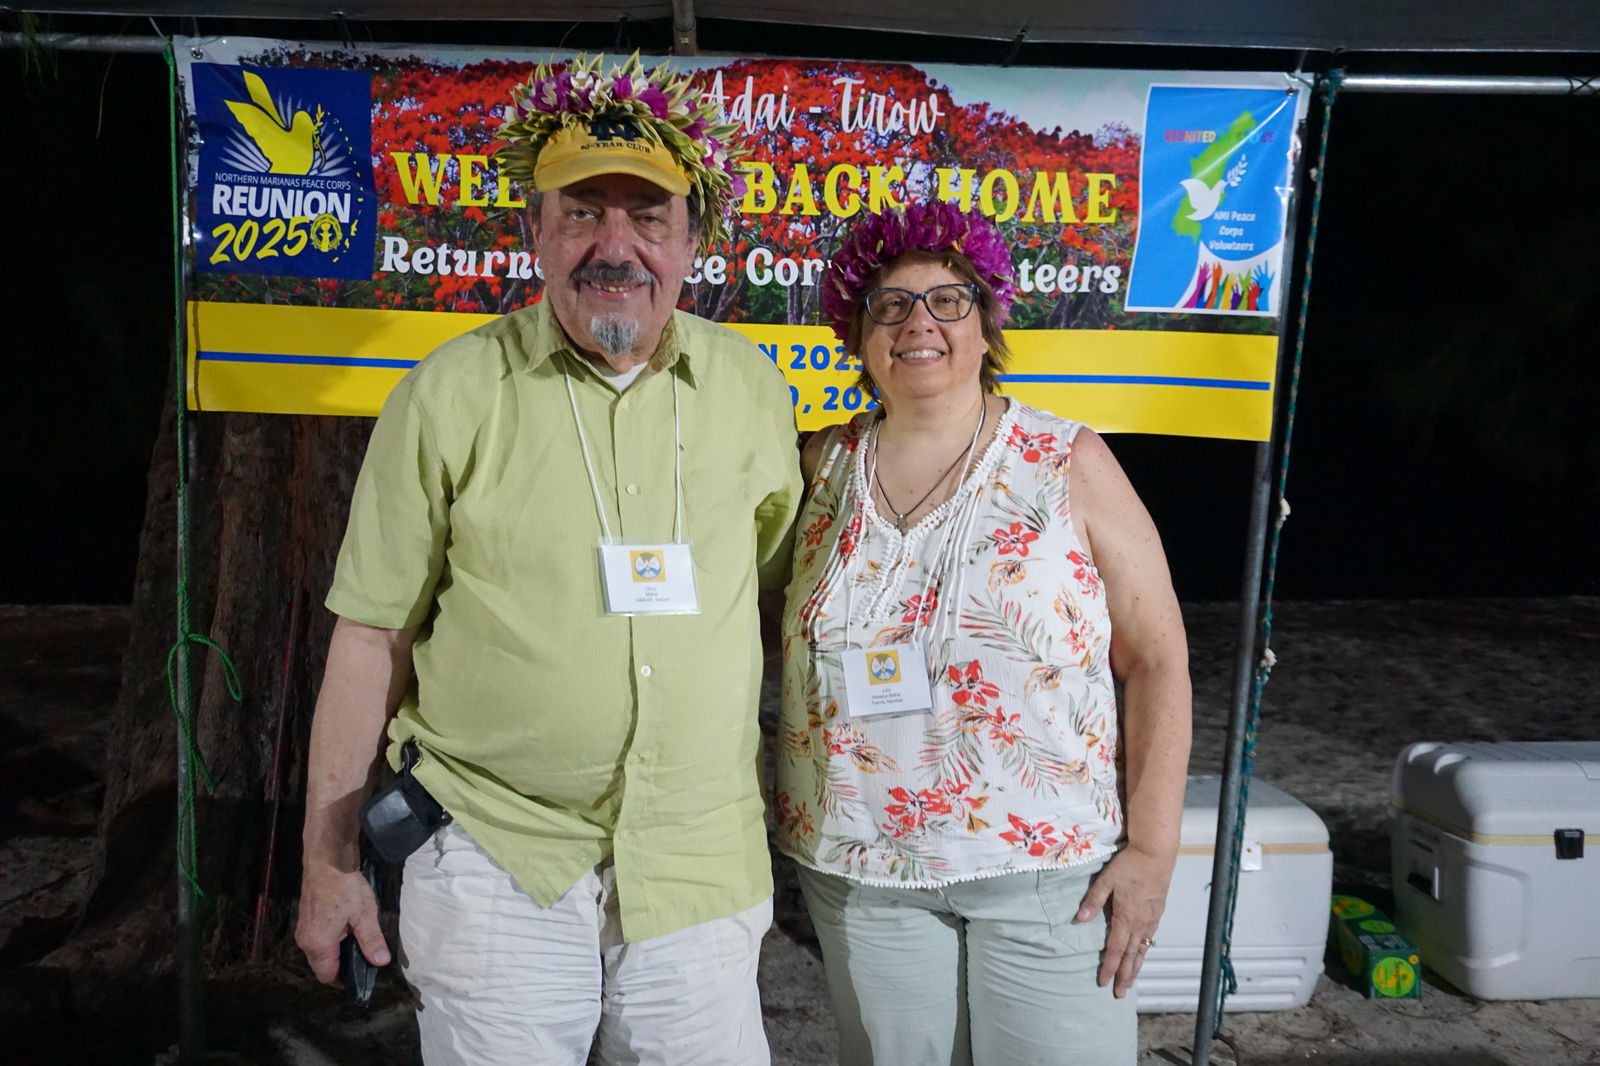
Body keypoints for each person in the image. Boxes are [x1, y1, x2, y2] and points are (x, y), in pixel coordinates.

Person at [294, 53, 801, 1066]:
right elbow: (369, 639)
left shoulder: (752, 390)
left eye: (647, 215)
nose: (615, 245)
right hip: (495, 854)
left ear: (694, 240)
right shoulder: (449, 393)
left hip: (698, 863)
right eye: (582, 212)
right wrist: (328, 863)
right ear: (533, 231)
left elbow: (770, 584)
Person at [774, 201, 1191, 1065]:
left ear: (987, 319)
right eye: (889, 304)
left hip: (1047, 876)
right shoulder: (819, 465)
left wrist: (1151, 850)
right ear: (857, 334)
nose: (918, 322)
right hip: (861, 871)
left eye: (946, 300)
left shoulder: (1065, 459)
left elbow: (1156, 659)